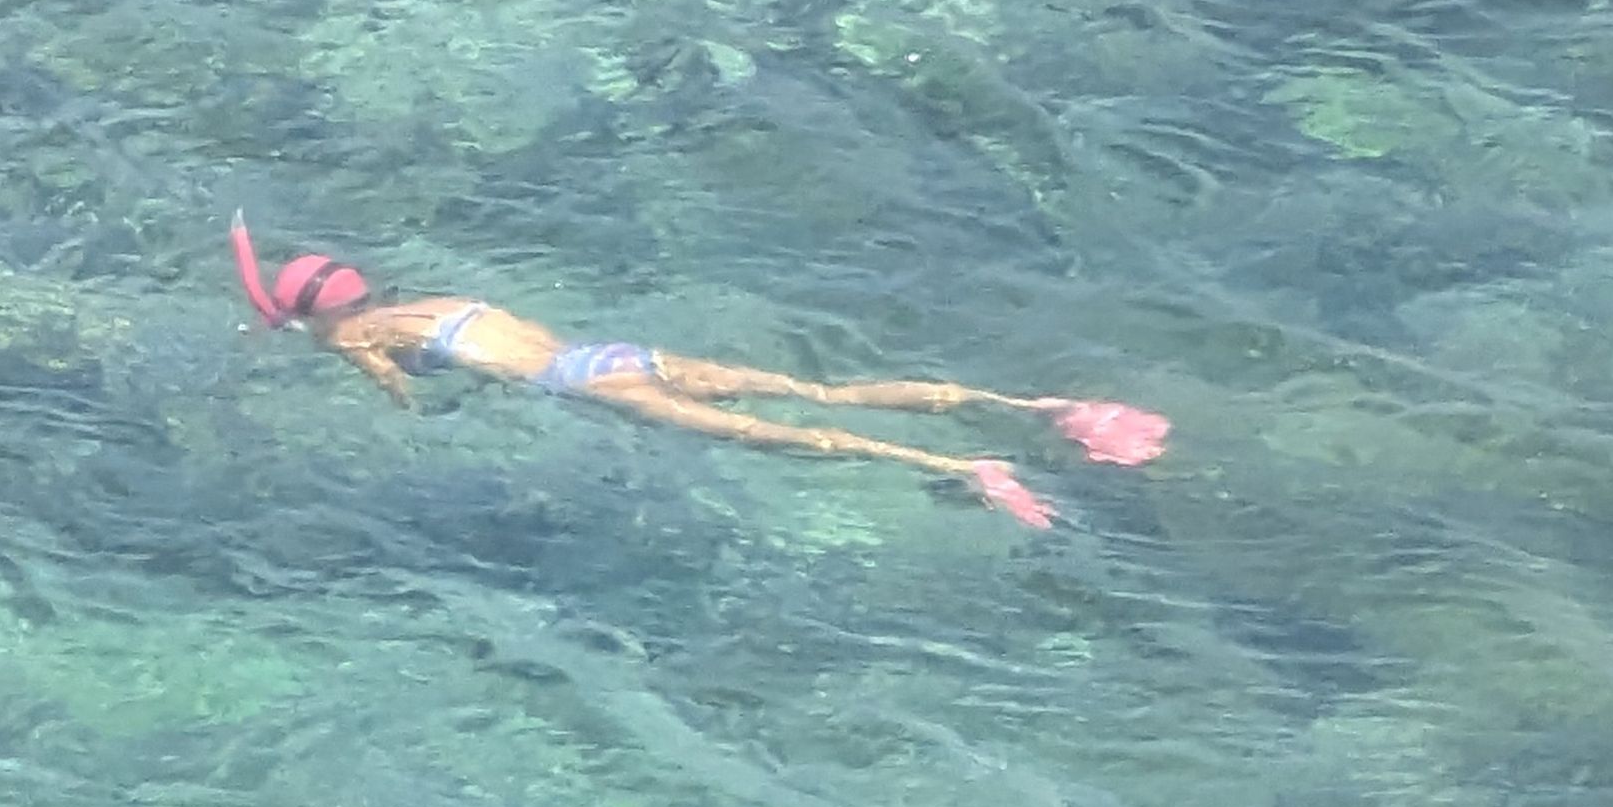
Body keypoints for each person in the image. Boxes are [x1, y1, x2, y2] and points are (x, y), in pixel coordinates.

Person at [230, 215, 1167, 527]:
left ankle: (960, 469)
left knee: (782, 437)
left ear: (322, 315)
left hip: (582, 387)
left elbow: (402, 403)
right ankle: (1045, 405)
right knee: (813, 391)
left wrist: (409, 421)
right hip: (611, 352)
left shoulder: (357, 340)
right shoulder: (433, 301)